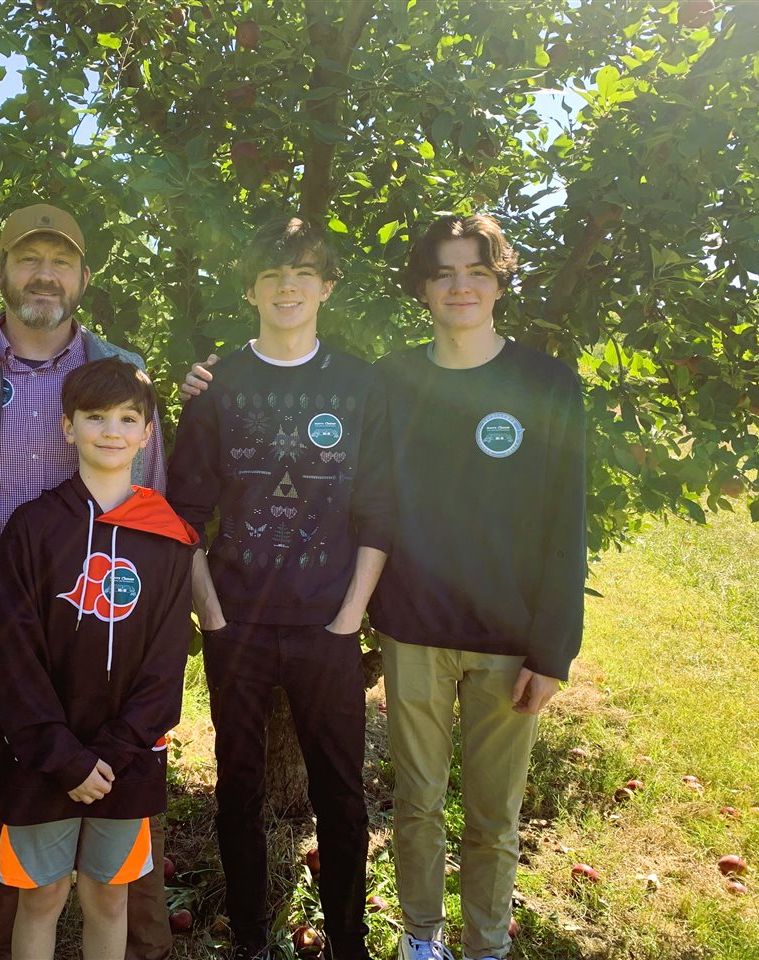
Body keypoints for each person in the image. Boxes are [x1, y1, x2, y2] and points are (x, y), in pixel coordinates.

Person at [182, 213, 587, 960]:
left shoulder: (492, 384)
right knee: (339, 798)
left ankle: (424, 944)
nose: (459, 286)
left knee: (426, 806)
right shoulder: (347, 380)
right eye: (443, 274)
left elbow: (551, 521)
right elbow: (197, 509)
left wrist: (550, 647)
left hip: (422, 631)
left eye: (476, 272)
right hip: (326, 628)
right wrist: (217, 619)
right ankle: (337, 938)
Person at [0, 203, 171, 959]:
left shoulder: (120, 372)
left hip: (102, 632)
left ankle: (143, 948)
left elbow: (151, 503)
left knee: (124, 799)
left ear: (84, 278)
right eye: (27, 259)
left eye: (60, 261)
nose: (43, 274)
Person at [167, 216, 394, 960]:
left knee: (341, 794)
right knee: (239, 789)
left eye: (303, 273)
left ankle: (348, 942)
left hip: (330, 625)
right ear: (251, 290)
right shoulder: (216, 385)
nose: (287, 287)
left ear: (327, 287)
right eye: (272, 276)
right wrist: (213, 615)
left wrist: (351, 617)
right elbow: (185, 515)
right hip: (239, 624)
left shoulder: (363, 385)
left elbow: (378, 510)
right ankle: (251, 939)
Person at [0, 357, 198, 959]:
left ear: (147, 433)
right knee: (43, 895)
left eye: (127, 418)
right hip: (42, 754)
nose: (111, 431)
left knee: (111, 896)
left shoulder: (167, 537)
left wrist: (110, 754)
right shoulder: (32, 529)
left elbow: (166, 662)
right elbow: (14, 656)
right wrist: (64, 757)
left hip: (125, 757)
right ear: (67, 428)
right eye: (95, 417)